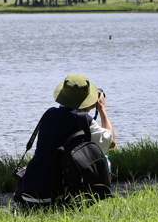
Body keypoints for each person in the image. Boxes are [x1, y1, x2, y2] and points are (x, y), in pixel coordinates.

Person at [15, 73, 116, 207]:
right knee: (105, 160)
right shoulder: (83, 121)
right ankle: (83, 203)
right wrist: (102, 108)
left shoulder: (49, 115)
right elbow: (111, 142)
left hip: (29, 190)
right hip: (54, 195)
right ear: (88, 99)